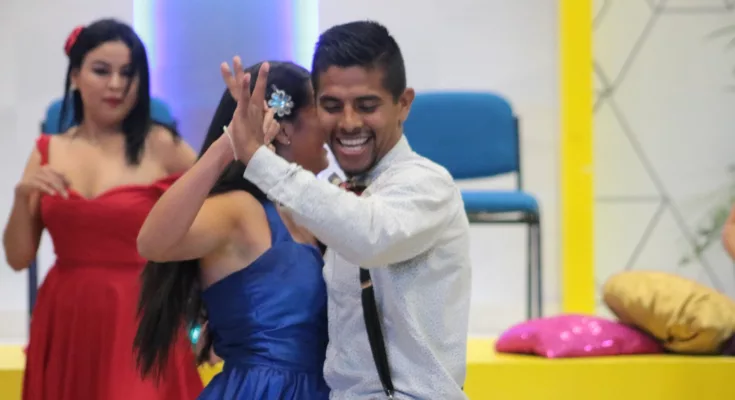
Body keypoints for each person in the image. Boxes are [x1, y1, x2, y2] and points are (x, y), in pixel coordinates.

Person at [220, 20, 472, 400]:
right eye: (332, 106)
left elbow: (368, 234)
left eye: (367, 106)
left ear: (403, 104)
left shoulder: (427, 184)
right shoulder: (338, 196)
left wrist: (258, 159)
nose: (349, 122)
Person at [2, 19, 203, 400]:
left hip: (142, 313)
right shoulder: (47, 150)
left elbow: (214, 221)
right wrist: (21, 197)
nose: (116, 84)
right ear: (75, 76)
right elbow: (18, 257)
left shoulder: (164, 145)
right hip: (66, 316)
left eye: (128, 73)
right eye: (101, 70)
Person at [134, 60, 331, 400]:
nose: (332, 123)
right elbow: (152, 243)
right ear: (284, 129)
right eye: (321, 110)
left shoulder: (307, 212)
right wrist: (230, 144)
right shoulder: (240, 210)